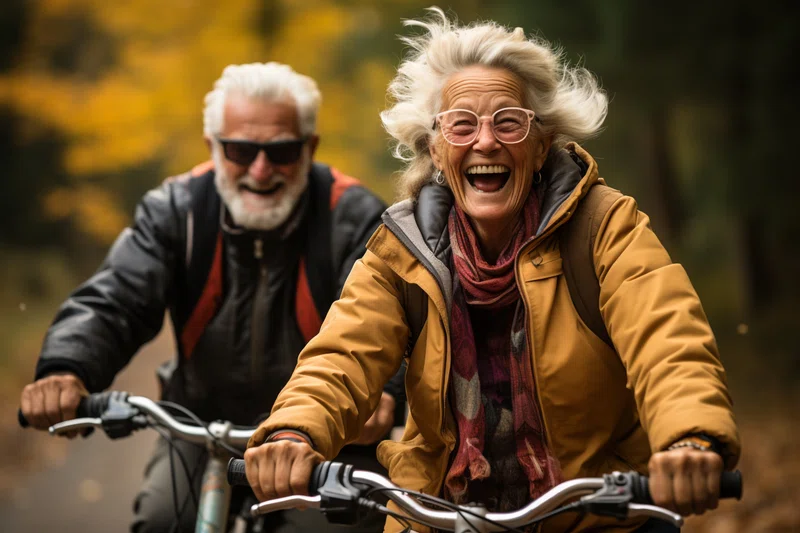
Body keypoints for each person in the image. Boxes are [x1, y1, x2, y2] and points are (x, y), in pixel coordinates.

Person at [242, 9, 741, 533]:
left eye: (509, 121)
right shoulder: (402, 250)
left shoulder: (604, 227)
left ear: (542, 142)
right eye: (462, 124)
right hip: (441, 516)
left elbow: (667, 339)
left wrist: (690, 438)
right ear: (436, 147)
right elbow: (342, 354)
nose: (484, 142)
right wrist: (294, 433)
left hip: (597, 515)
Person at [19, 62, 403, 533]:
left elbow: (384, 324)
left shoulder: (356, 217)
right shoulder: (176, 210)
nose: (260, 170)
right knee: (163, 521)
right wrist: (66, 367)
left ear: (310, 147)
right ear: (213, 147)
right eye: (240, 149)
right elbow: (115, 298)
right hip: (200, 427)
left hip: (328, 437)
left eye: (281, 150)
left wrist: (387, 393)